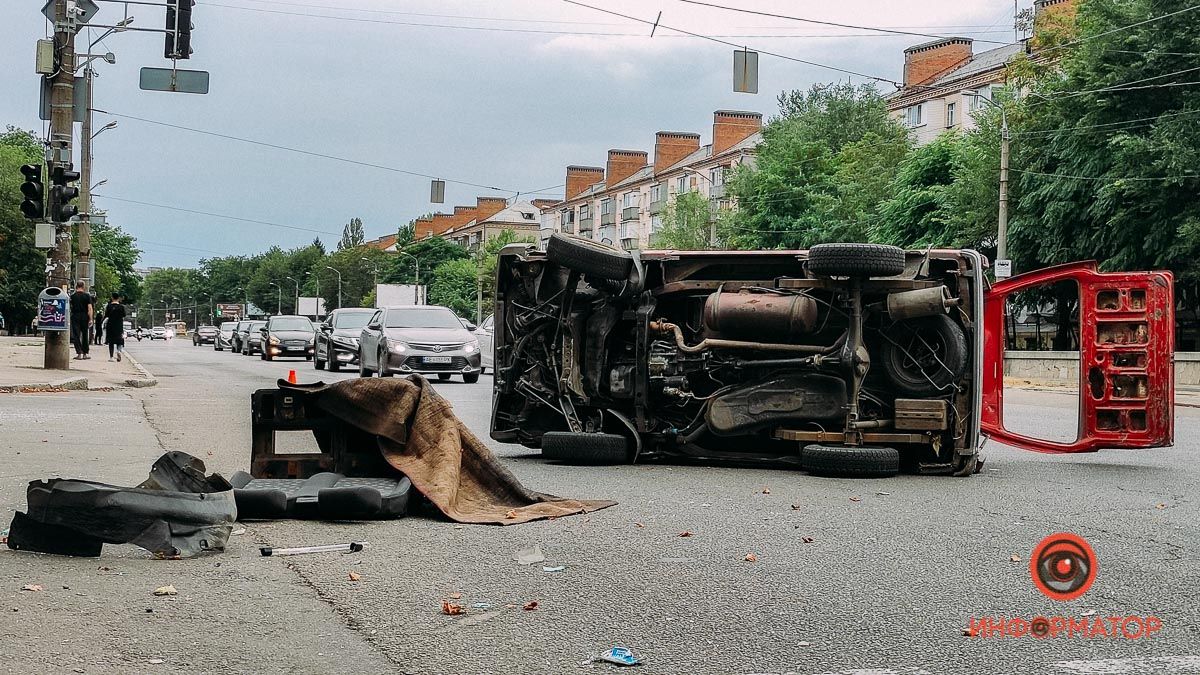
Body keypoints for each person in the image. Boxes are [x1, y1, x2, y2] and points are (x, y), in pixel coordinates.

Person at [69, 282, 93, 360]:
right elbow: (89, 308)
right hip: (84, 316)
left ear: (76, 286)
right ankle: (85, 354)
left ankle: (79, 353)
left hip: (75, 316)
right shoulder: (87, 296)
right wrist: (90, 319)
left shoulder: (72, 296)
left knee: (76, 335)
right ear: (83, 286)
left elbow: (70, 307)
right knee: (85, 334)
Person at [102, 292, 127, 362]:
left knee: (111, 341)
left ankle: (111, 357)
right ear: (118, 298)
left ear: (112, 298)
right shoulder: (121, 307)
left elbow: (106, 315)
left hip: (110, 325)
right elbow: (124, 315)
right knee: (119, 340)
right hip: (119, 325)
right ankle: (119, 351)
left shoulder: (109, 306)